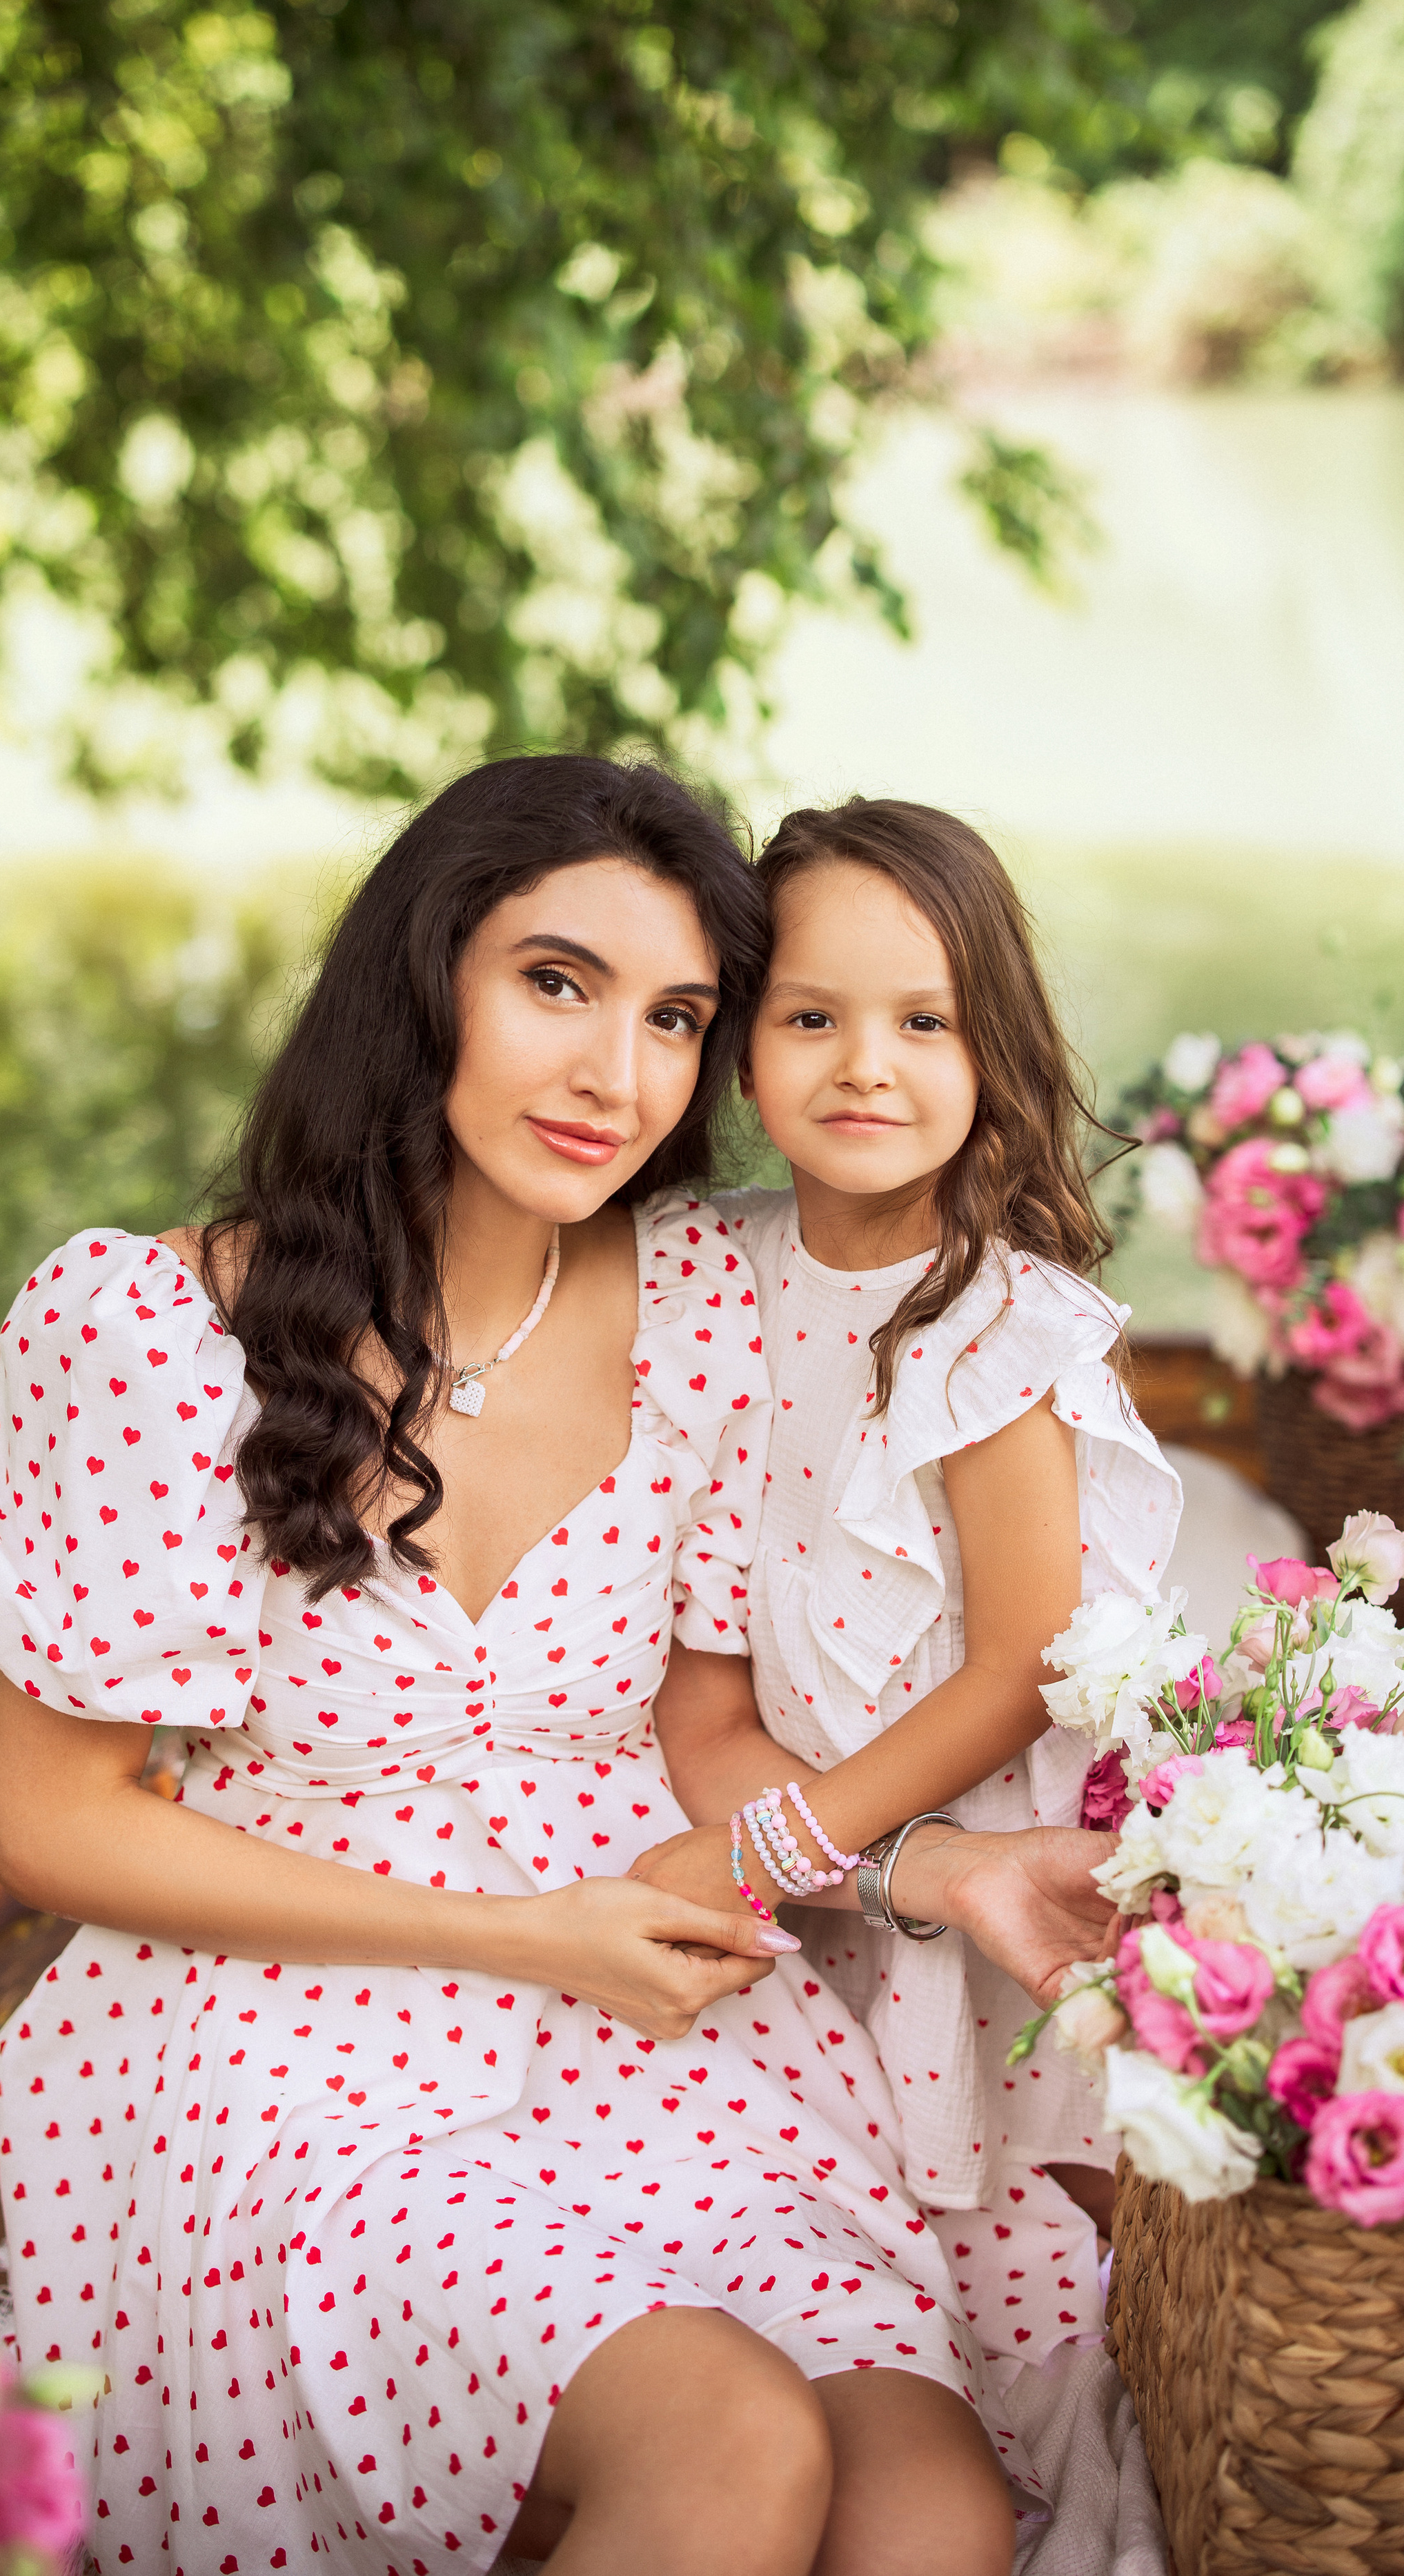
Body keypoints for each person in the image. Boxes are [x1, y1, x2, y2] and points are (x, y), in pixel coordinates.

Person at [0, 759, 1117, 2576]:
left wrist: (933, 1866)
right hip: (302, 2030)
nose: (614, 1075)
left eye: (676, 1018)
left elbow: (706, 1733)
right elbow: (55, 1825)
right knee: (728, 2446)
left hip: (662, 2015)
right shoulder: (153, 1328)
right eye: (557, 982)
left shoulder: (699, 1306)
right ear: (425, 976)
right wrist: (518, 1931)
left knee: (928, 2509)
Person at [636, 798, 1178, 2346]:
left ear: (990, 1050)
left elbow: (1020, 1665)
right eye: (811, 1017)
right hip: (790, 1859)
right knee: (810, 2258)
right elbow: (701, 1677)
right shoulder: (702, 1266)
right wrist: (766, 1848)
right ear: (743, 1052)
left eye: (922, 1022)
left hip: (964, 1865)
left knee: (999, 2271)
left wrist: (785, 1838)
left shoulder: (989, 1325)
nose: (863, 1063)